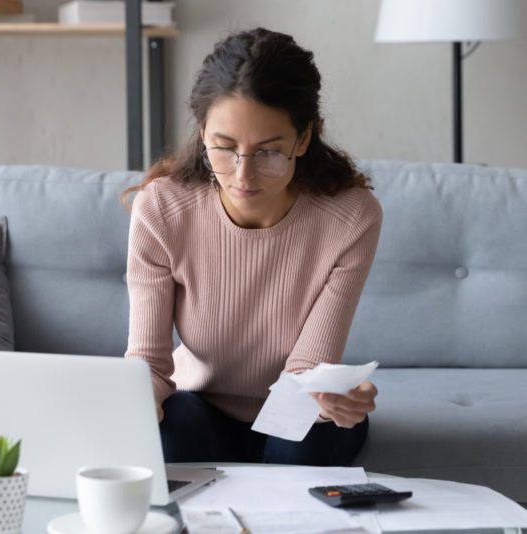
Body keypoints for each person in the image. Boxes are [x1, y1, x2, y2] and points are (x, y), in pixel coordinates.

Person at [124, 27, 382, 466]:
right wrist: (136, 406)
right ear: (203, 132)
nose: (243, 176)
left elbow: (307, 371)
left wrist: (331, 398)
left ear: (304, 138)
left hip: (299, 409)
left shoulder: (351, 217)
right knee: (170, 439)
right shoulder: (162, 208)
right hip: (199, 404)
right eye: (224, 149)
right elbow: (148, 362)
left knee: (298, 448)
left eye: (268, 153)